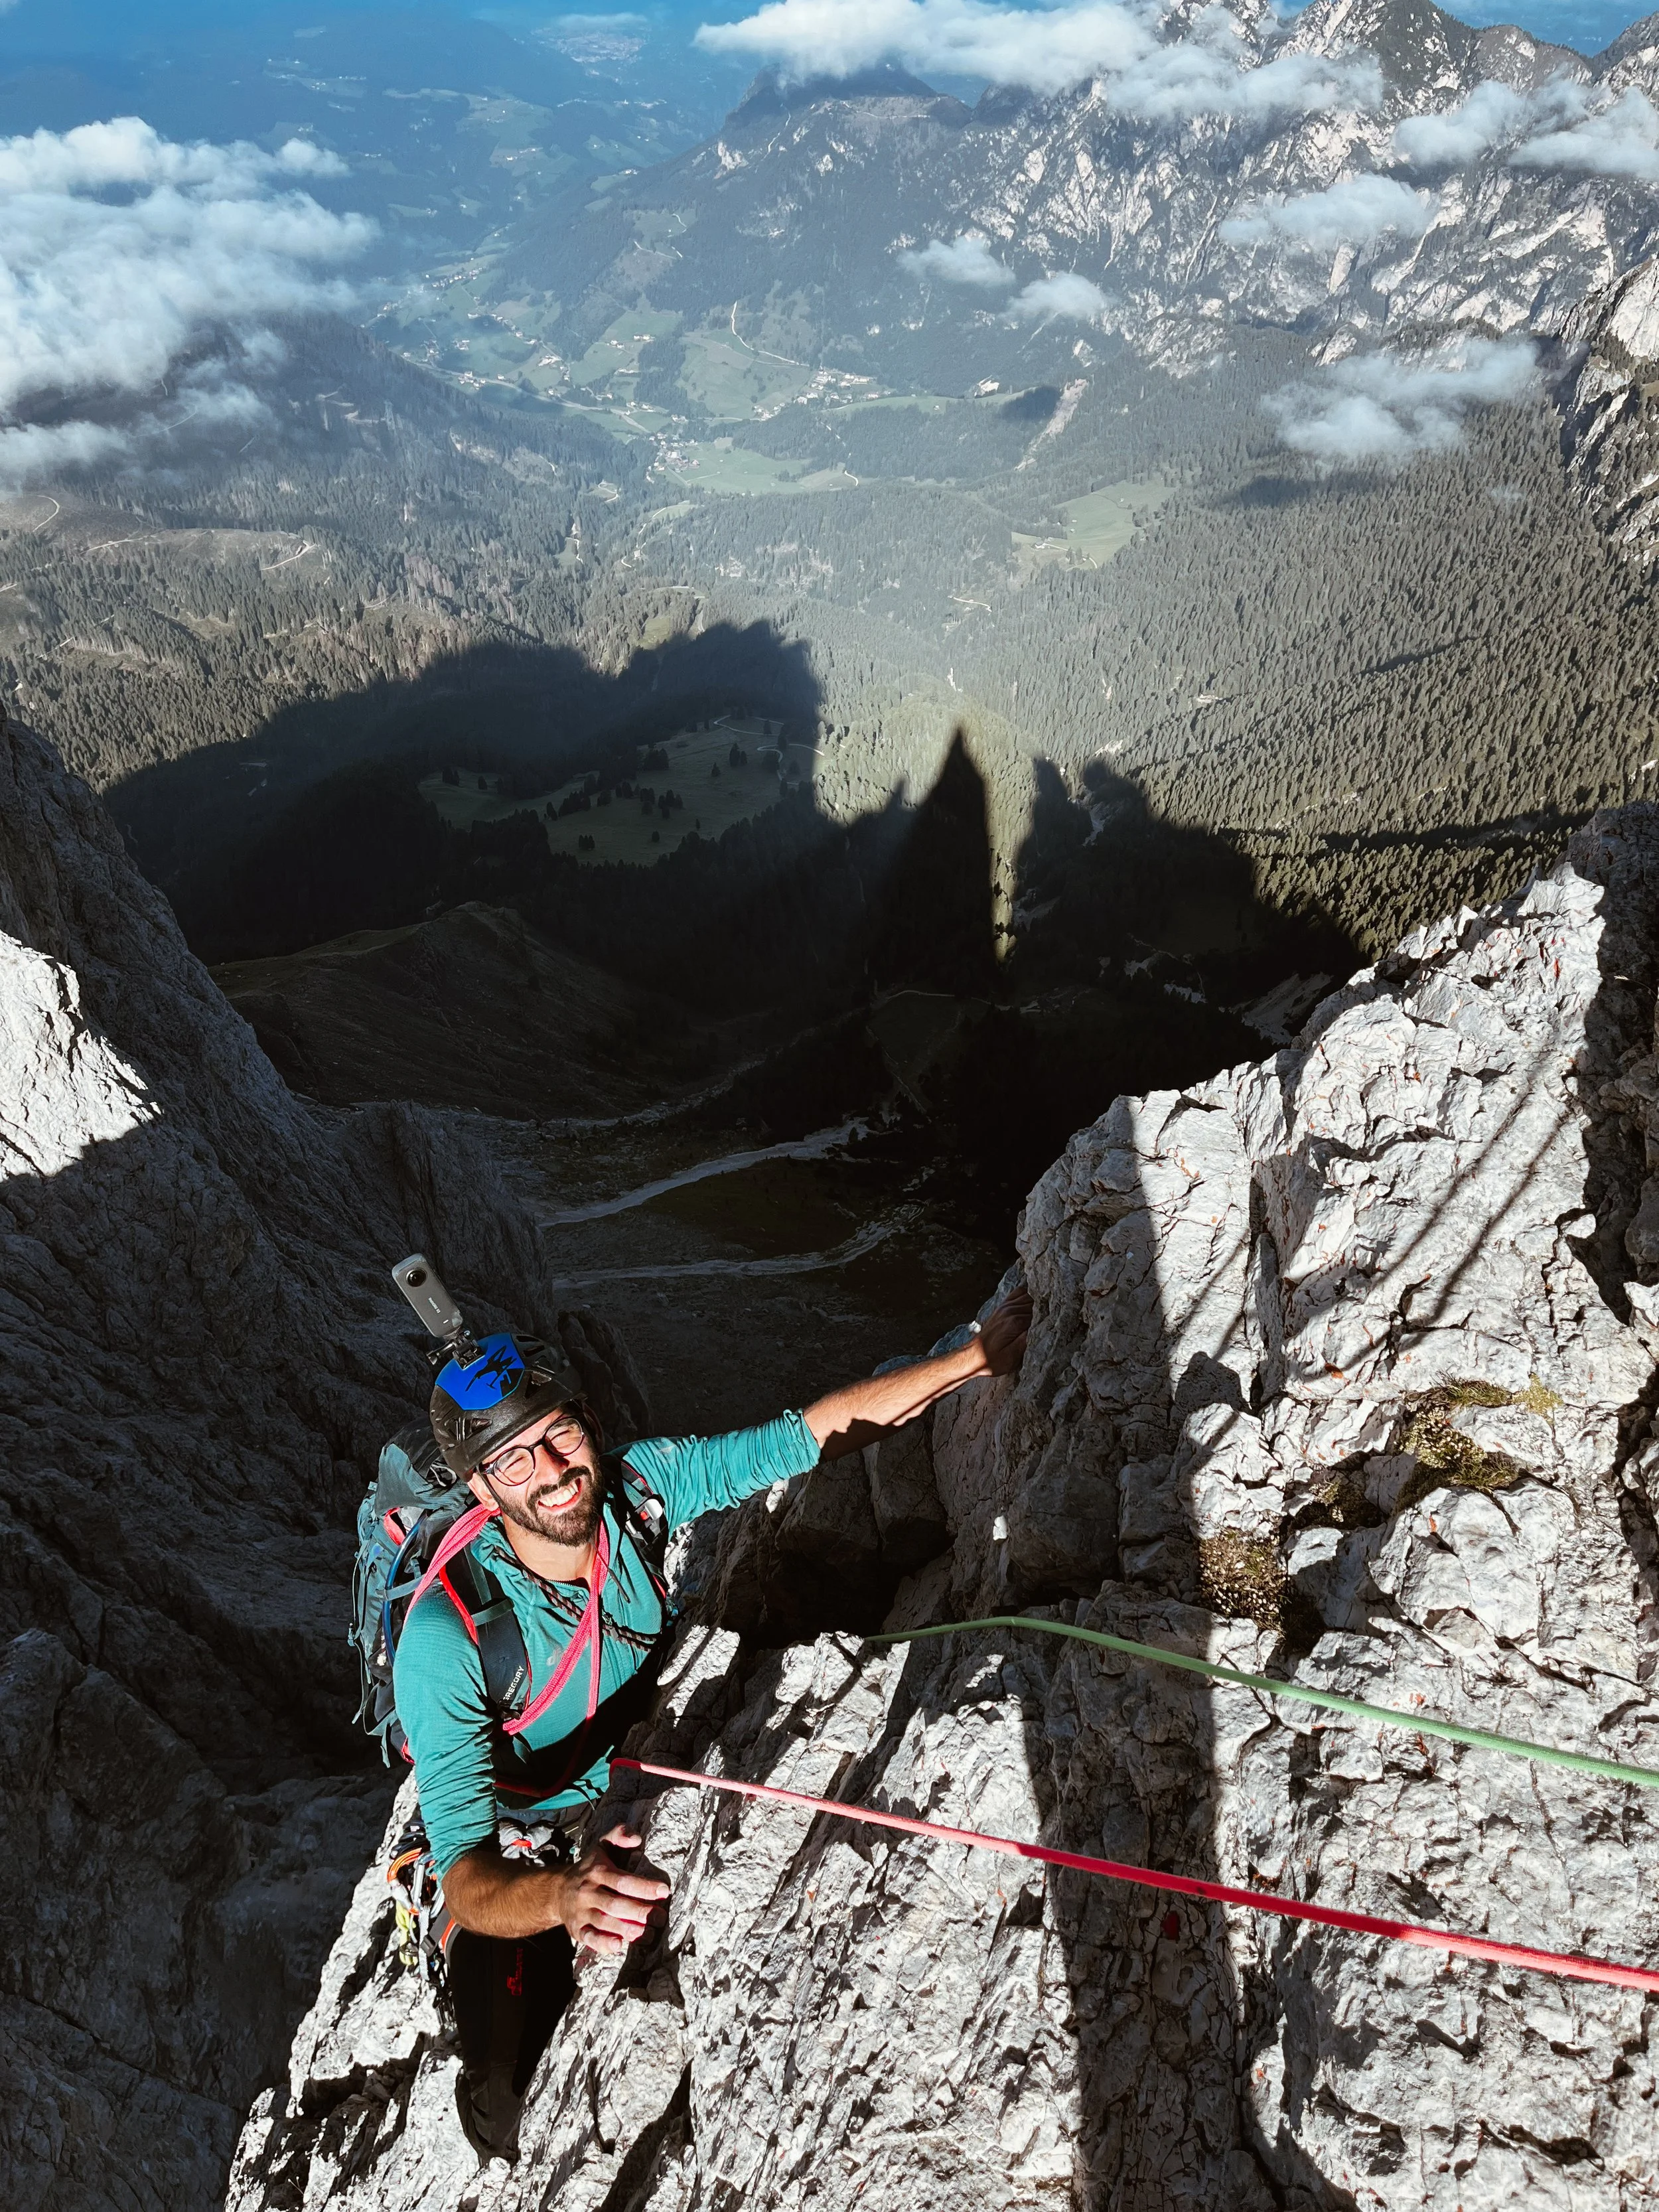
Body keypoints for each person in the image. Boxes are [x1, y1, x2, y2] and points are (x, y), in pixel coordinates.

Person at [393, 1290, 1032, 2162]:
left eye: (559, 1434)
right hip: (522, 1826)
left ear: (587, 1420)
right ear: (477, 1487)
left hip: (632, 1760)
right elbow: (468, 1877)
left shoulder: (642, 1488)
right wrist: (560, 1896)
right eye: (511, 1462)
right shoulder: (451, 1634)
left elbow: (806, 1435)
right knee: (505, 2109)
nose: (550, 1468)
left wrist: (973, 1362)